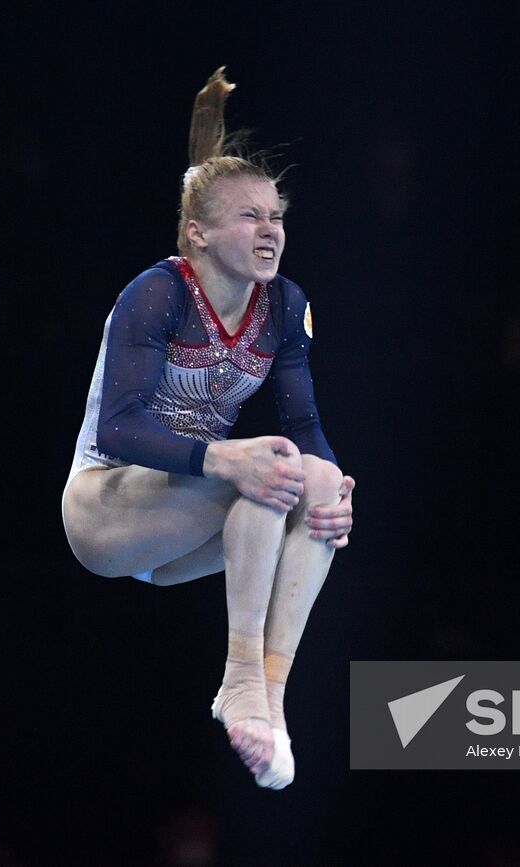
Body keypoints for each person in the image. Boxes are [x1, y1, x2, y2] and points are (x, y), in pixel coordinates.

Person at [61, 68, 355, 790]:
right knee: (267, 463)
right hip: (106, 510)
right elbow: (122, 428)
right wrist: (225, 460)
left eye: (275, 215)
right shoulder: (157, 293)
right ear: (199, 231)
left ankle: (267, 700)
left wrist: (336, 490)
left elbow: (306, 424)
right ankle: (241, 678)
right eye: (249, 216)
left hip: (188, 527)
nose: (270, 229)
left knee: (307, 476)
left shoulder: (284, 306)